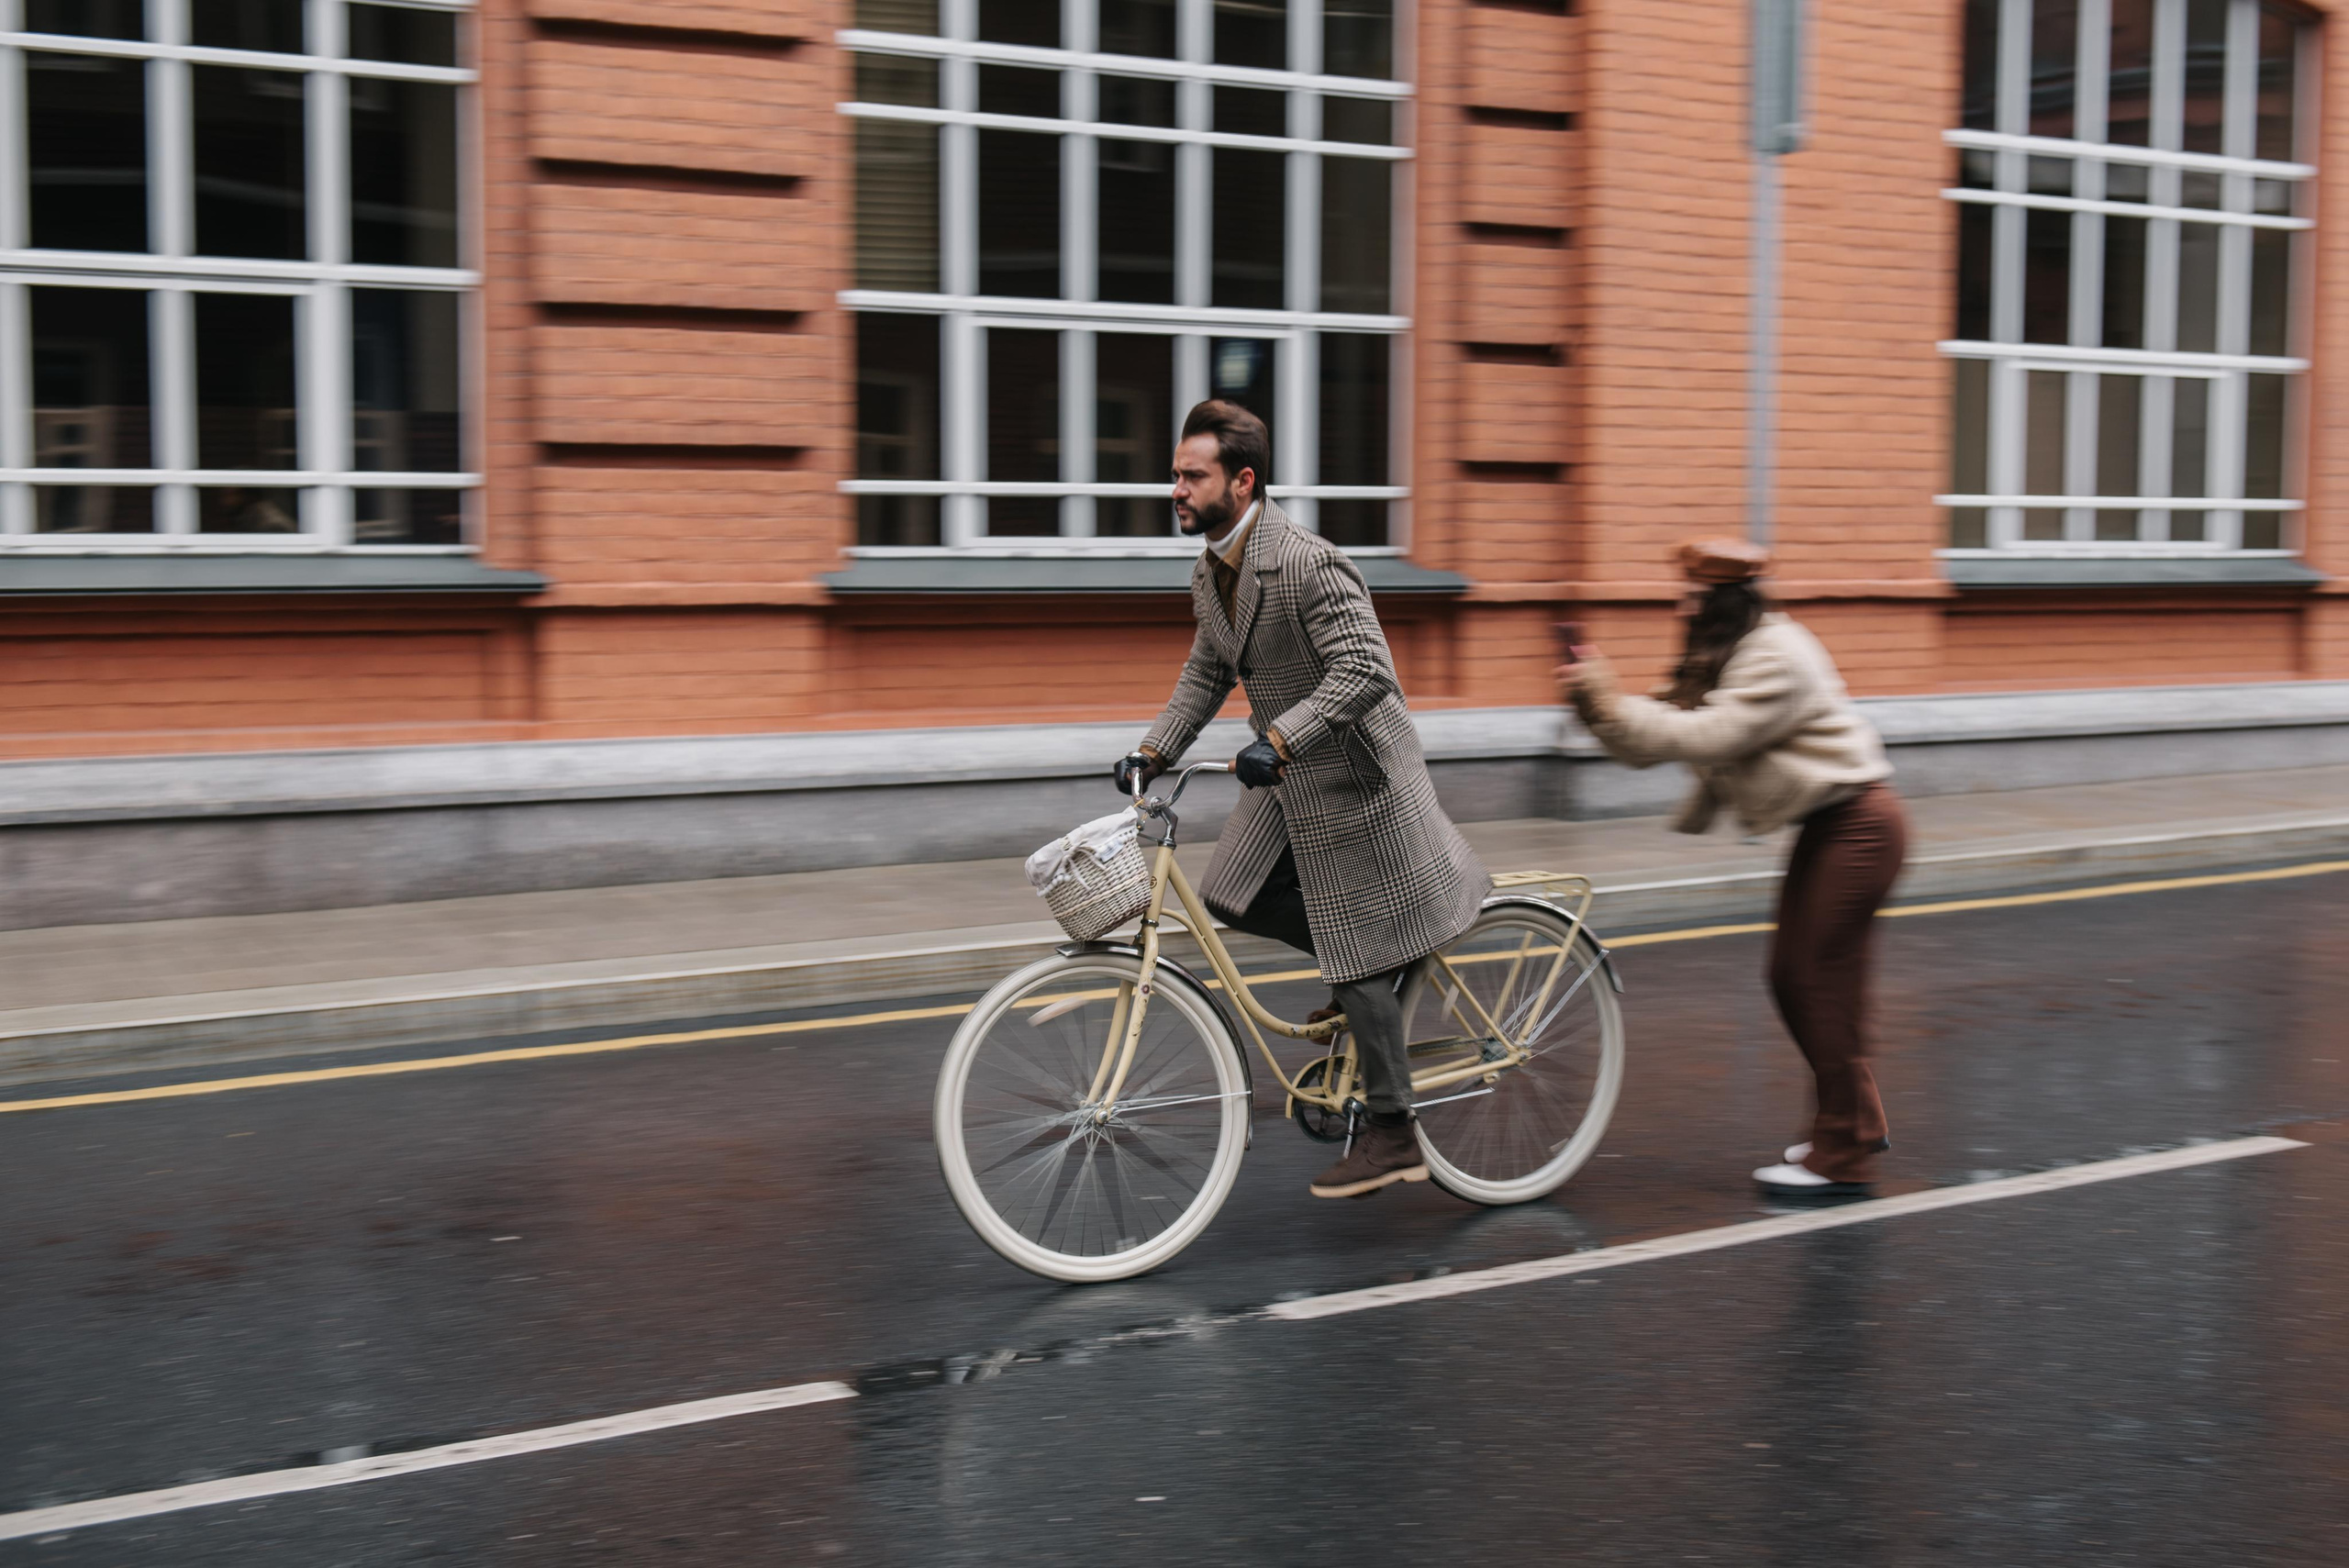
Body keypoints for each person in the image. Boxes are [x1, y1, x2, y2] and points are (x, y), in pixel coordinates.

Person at [1115, 400, 1492, 1199]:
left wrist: (1280, 737)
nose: (1175, 488)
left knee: (1355, 950)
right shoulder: (1212, 566)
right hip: (1287, 774)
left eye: (1193, 474)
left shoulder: (1309, 562)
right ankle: (1364, 979)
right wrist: (1154, 748)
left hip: (1357, 777)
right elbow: (1207, 672)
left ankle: (1394, 1132)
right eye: (1176, 473)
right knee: (1230, 894)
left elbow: (1364, 671)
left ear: (1242, 480)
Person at [1557, 539, 1908, 1195]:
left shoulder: (1778, 652)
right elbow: (1657, 729)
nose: (1681, 609)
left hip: (1861, 826)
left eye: (1691, 599)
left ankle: (1844, 1151)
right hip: (1832, 825)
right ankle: (1852, 1122)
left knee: (1810, 979)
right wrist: (1595, 702)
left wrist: (1607, 702)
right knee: (1809, 979)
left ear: (1722, 600)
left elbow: (1706, 735)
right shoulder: (1729, 652)